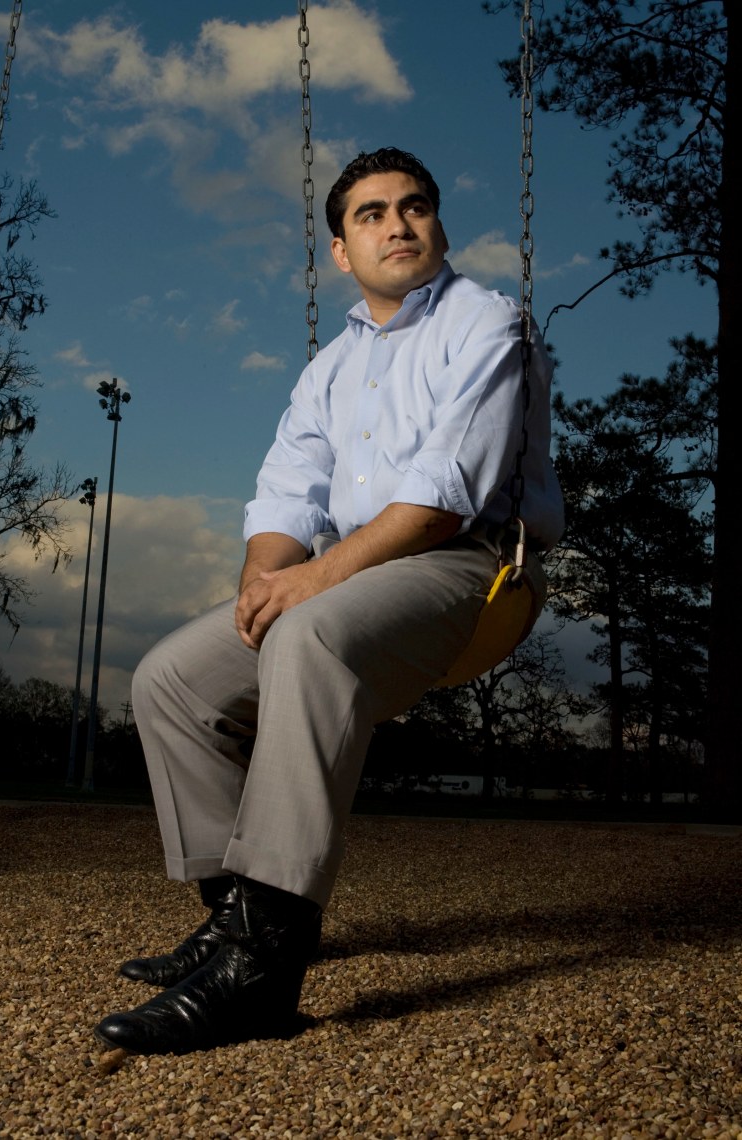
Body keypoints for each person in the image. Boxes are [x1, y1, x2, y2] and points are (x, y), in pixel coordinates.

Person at [95, 147, 564, 1056]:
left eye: (415, 206)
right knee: (169, 681)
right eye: (371, 214)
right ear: (342, 253)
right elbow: (285, 496)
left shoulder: (489, 324)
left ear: (439, 225)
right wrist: (263, 582)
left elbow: (438, 500)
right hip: (347, 574)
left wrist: (309, 583)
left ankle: (264, 975)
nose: (398, 223)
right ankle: (234, 921)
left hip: (467, 568)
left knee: (306, 631)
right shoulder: (330, 366)